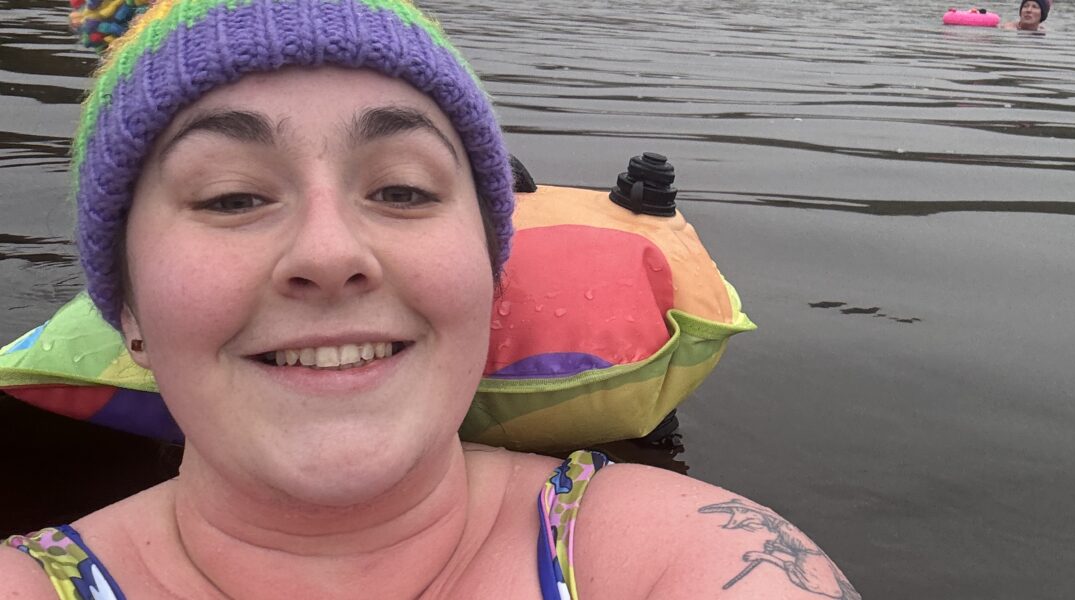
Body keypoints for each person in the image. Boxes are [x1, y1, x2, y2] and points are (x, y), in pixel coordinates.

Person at [0, 0, 861, 598]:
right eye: (231, 196)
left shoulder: (681, 560)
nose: (331, 255)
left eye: (405, 191)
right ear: (131, 310)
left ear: (488, 275)